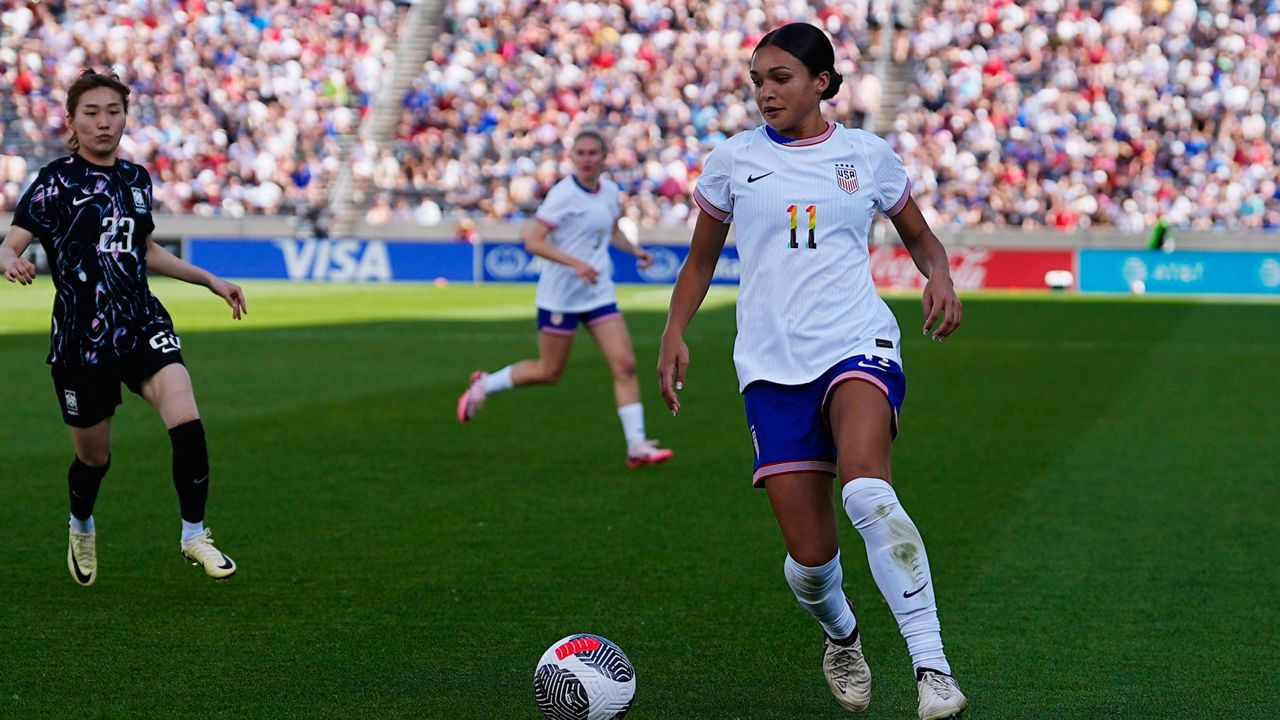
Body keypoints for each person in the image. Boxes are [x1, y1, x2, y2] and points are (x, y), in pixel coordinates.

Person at [656, 24, 967, 719]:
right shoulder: (731, 162)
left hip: (856, 343)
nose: (765, 91)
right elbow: (701, 260)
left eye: (781, 78)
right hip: (769, 366)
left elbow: (920, 237)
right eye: (758, 80)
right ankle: (843, 635)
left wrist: (939, 276)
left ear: (822, 83)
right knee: (811, 559)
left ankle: (933, 667)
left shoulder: (867, 155)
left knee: (867, 493)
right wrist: (675, 329)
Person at [0, 69, 246, 585]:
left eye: (113, 112)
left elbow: (147, 249)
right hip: (80, 341)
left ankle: (193, 534)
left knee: (187, 421)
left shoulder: (136, 179)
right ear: (72, 120)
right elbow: (12, 242)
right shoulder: (53, 182)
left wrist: (209, 280)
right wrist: (8, 259)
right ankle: (81, 524)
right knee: (94, 458)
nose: (104, 123)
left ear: (126, 117)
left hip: (140, 322)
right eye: (91, 113)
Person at [458, 128, 673, 469]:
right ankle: (486, 383)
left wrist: (635, 251)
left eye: (593, 153)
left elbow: (613, 229)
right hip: (560, 296)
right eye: (581, 153)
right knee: (549, 371)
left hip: (597, 291)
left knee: (626, 364)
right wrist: (576, 264)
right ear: (572, 158)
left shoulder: (610, 191)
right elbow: (533, 241)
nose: (587, 159)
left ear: (603, 157)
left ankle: (637, 446)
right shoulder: (562, 195)